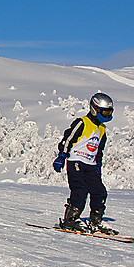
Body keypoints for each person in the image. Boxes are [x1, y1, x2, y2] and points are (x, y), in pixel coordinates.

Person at [53, 93, 115, 234]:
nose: (107, 115)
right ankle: (71, 219)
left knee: (100, 192)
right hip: (76, 161)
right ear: (95, 108)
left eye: (109, 112)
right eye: (104, 112)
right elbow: (68, 138)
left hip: (90, 165)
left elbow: (99, 150)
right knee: (80, 190)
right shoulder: (82, 122)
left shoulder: (102, 129)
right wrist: (62, 156)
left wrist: (98, 165)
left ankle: (96, 221)